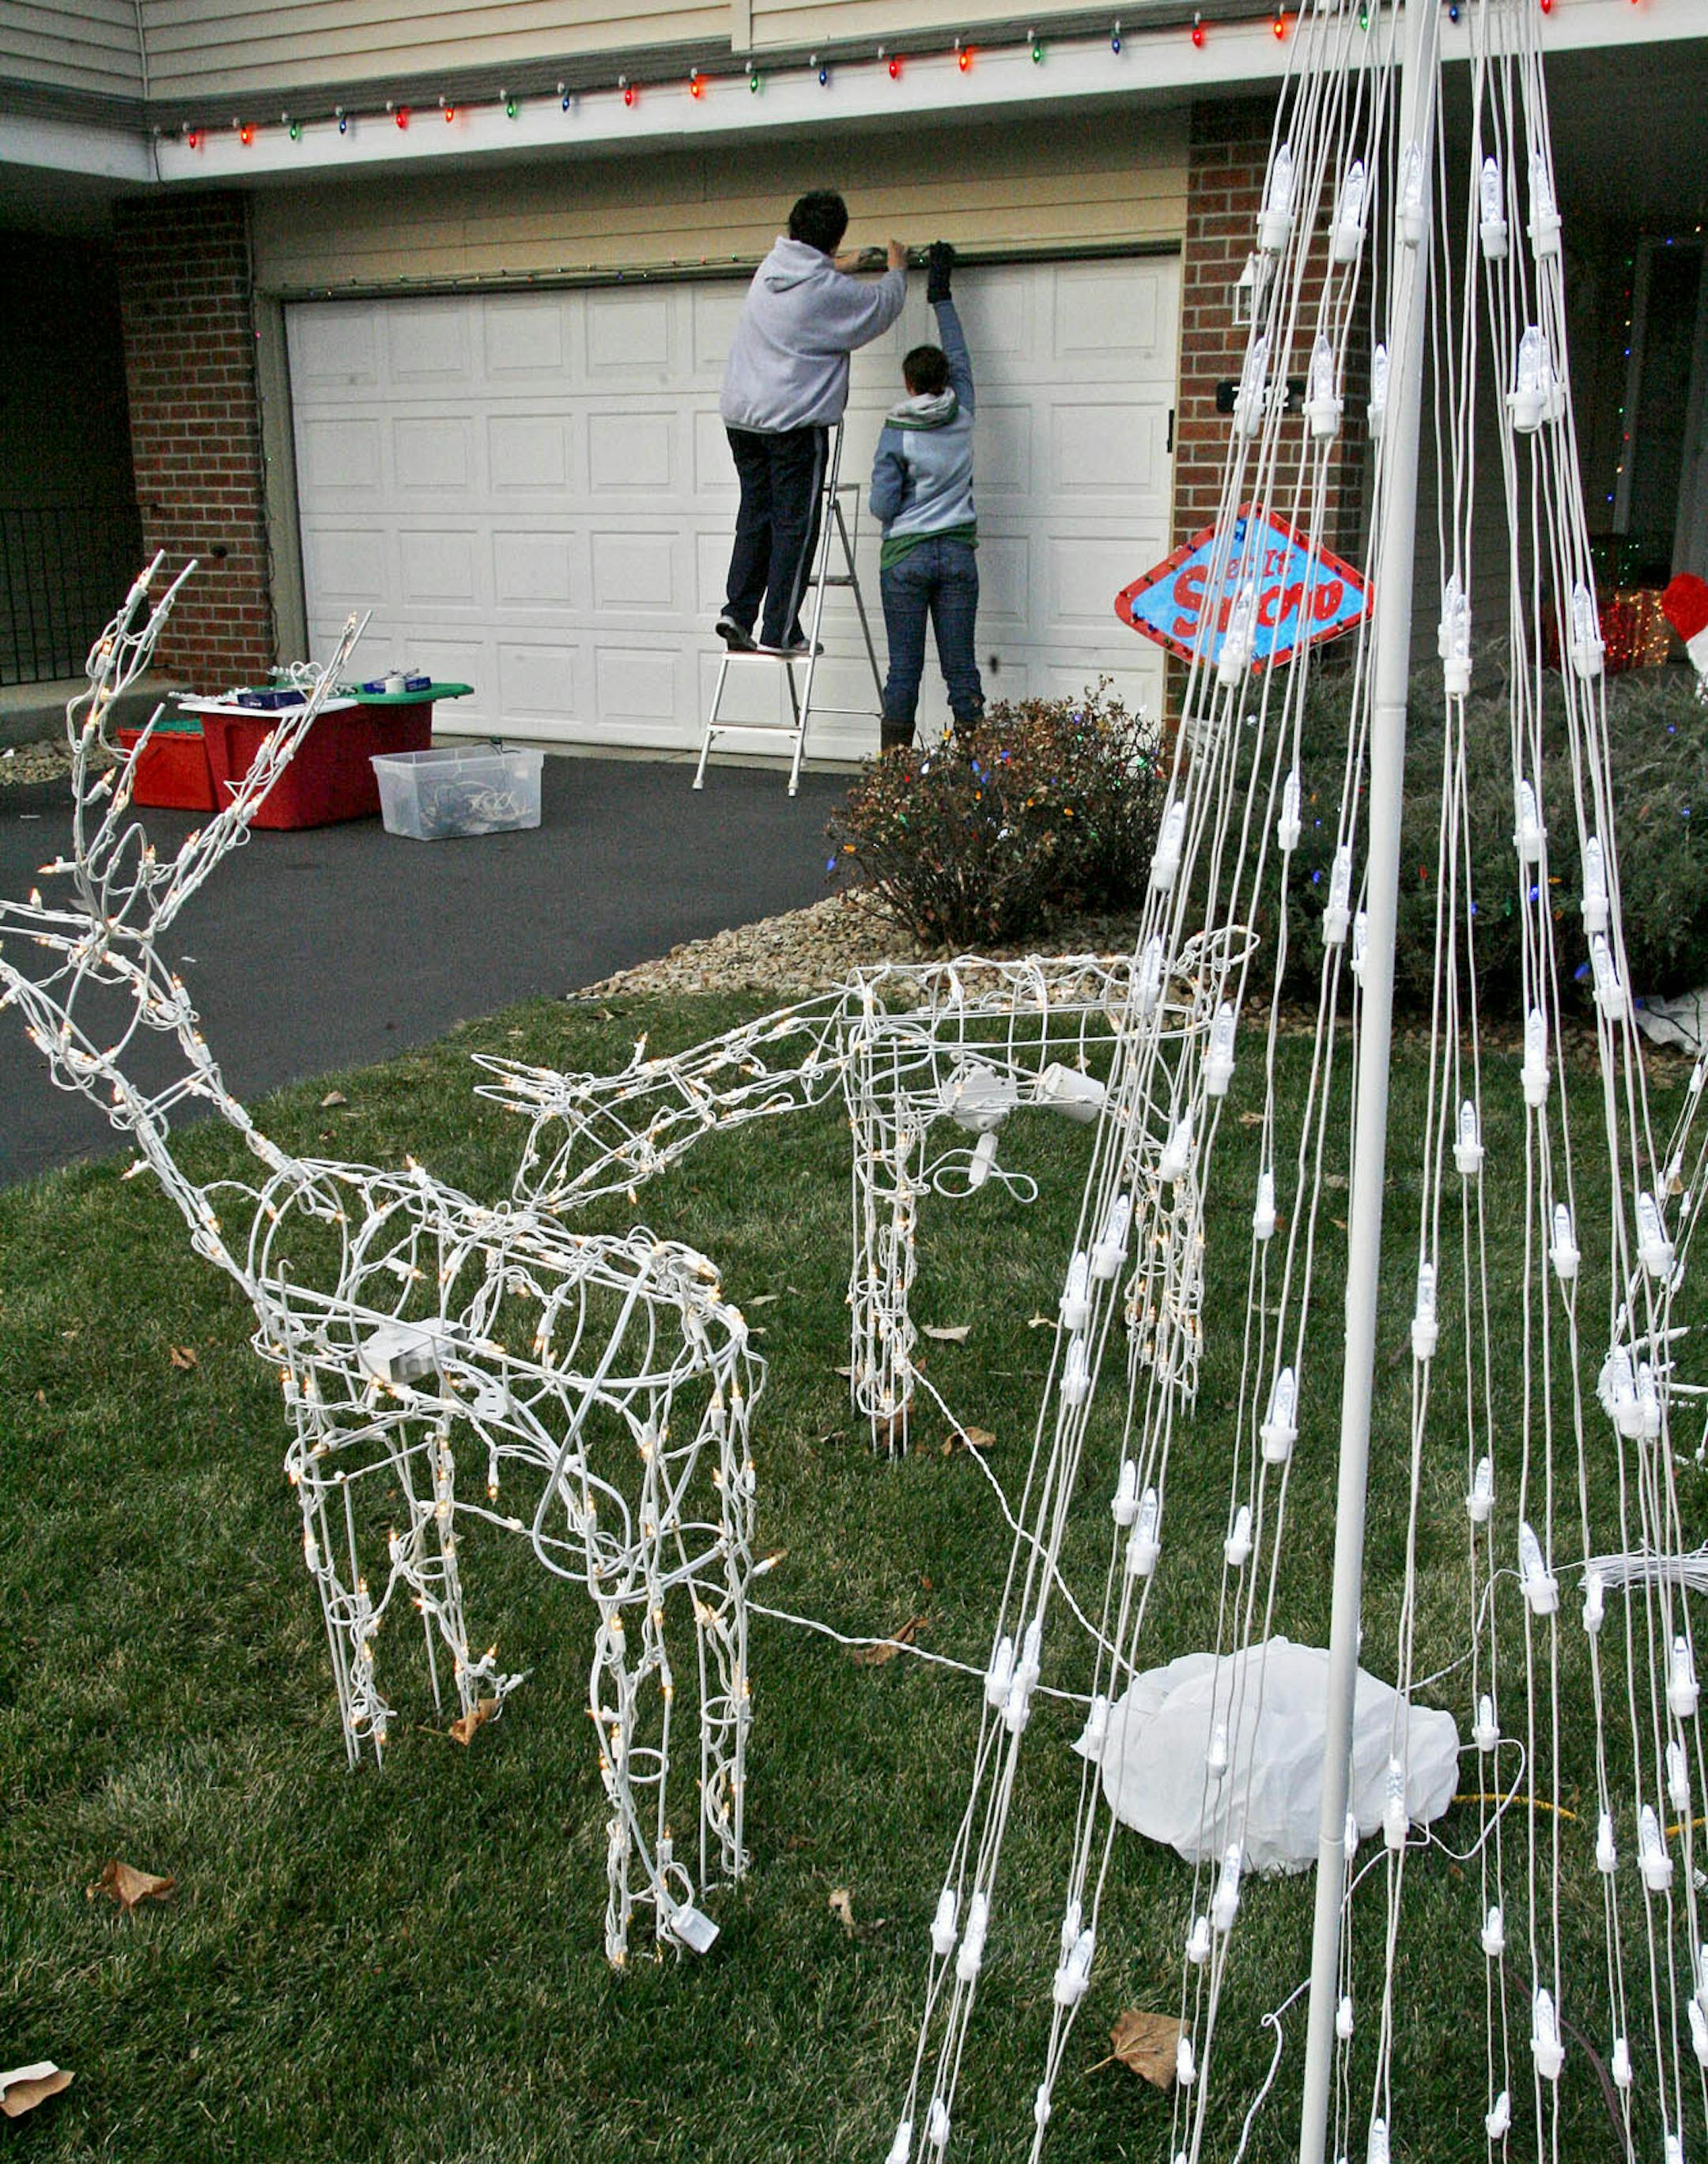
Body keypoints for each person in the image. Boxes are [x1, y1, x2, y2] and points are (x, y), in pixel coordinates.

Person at [718, 191, 908, 657]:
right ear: (835, 236)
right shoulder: (825, 294)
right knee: (793, 525)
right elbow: (879, 308)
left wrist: (843, 264)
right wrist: (897, 271)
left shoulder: (772, 268)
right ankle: (780, 630)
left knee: (755, 515)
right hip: (791, 423)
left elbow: (814, 275)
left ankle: (737, 612)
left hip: (743, 418)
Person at [867, 242, 984, 752]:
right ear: (947, 381)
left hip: (906, 558)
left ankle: (894, 781)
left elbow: (882, 506)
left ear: (909, 383)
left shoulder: (896, 431)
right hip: (957, 554)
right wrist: (941, 292)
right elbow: (957, 352)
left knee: (905, 668)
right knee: (961, 667)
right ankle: (978, 775)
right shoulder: (963, 411)